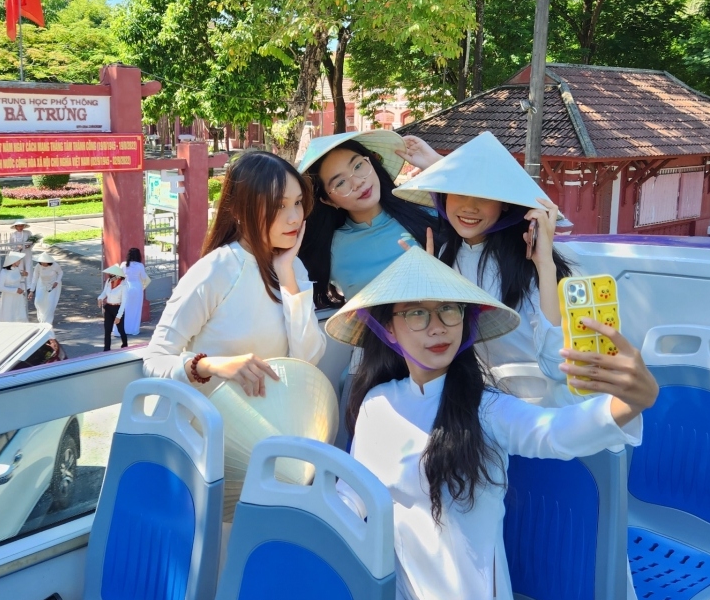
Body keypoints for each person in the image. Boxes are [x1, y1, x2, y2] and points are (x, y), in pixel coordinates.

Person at [326, 247, 658, 600]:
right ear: (388, 328)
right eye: (416, 313)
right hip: (395, 599)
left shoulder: (486, 410)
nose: (437, 326)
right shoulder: (376, 405)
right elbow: (350, 504)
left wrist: (628, 404)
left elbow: (553, 433)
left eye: (449, 309)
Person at [394, 131, 574, 402]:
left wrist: (545, 265)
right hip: (476, 398)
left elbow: (557, 366)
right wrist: (427, 282)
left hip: (543, 407)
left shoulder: (530, 261)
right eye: (458, 194)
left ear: (504, 204)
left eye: (484, 197)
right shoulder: (444, 253)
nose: (470, 207)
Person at [140, 150, 325, 396]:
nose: (294, 218)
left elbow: (308, 360)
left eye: (298, 202)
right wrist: (210, 365)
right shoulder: (215, 271)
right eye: (279, 205)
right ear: (239, 210)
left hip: (273, 426)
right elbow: (155, 359)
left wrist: (286, 274)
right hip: (209, 428)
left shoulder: (292, 267)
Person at [296, 130, 443, 308]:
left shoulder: (430, 215)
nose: (358, 182)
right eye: (340, 183)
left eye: (358, 166)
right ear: (327, 200)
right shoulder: (328, 250)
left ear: (372, 162)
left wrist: (438, 164)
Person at [119, 247, 151, 336]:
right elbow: (144, 278)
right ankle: (133, 329)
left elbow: (119, 277)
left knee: (124, 308)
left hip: (126, 287)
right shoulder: (140, 266)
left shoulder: (123, 264)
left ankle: (122, 329)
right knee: (136, 309)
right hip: (137, 287)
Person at [97, 264, 129, 351]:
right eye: (109, 275)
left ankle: (125, 345)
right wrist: (100, 298)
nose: (110, 277)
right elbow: (104, 293)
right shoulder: (108, 282)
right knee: (107, 330)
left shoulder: (124, 285)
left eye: (112, 276)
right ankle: (106, 349)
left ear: (118, 276)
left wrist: (119, 316)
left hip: (117, 308)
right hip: (108, 308)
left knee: (121, 329)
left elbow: (124, 302)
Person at [28, 252, 63, 325]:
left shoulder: (55, 265)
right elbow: (35, 278)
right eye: (41, 262)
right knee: (39, 301)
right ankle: (42, 317)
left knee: (50, 302)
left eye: (45, 262)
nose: (43, 264)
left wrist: (57, 281)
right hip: (42, 284)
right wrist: (31, 291)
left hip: (53, 285)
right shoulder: (38, 266)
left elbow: (60, 273)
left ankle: (48, 321)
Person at [0, 251, 28, 323]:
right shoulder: (4, 272)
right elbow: (0, 287)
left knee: (19, 314)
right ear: (13, 261)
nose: (20, 262)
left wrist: (24, 275)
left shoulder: (16, 269)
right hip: (8, 297)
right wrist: (15, 290)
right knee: (9, 316)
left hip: (18, 296)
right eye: (18, 260)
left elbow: (17, 280)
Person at [9, 220, 35, 286]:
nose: (20, 227)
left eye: (22, 226)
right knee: (20, 267)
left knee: (28, 266)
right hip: (18, 253)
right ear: (16, 227)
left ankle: (29, 285)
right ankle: (21, 284)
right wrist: (17, 247)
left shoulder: (28, 233)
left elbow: (32, 241)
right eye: (19, 226)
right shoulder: (13, 235)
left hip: (27, 252)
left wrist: (28, 245)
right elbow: (11, 245)